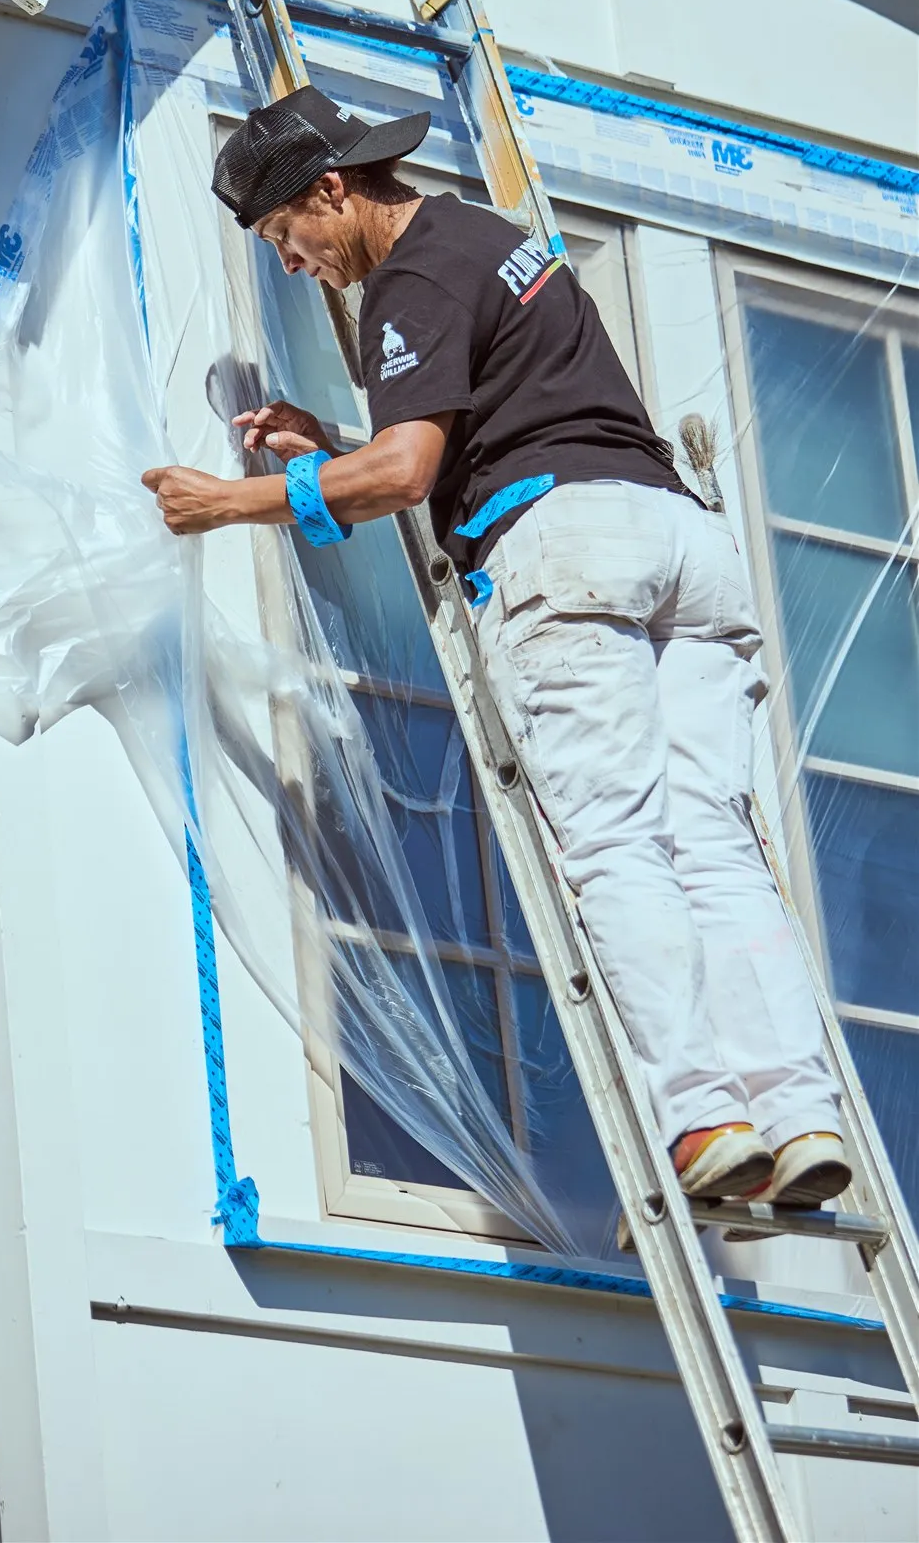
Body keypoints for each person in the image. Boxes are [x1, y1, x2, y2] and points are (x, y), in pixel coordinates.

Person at [141, 84, 850, 1211]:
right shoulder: (494, 239)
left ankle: (707, 1116)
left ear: (332, 190)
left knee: (615, 843)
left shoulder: (408, 277)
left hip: (571, 551)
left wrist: (233, 500)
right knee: (712, 844)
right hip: (681, 543)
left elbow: (410, 475)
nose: (291, 264)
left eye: (286, 234)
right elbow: (479, 420)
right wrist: (336, 441)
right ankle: (803, 1114)